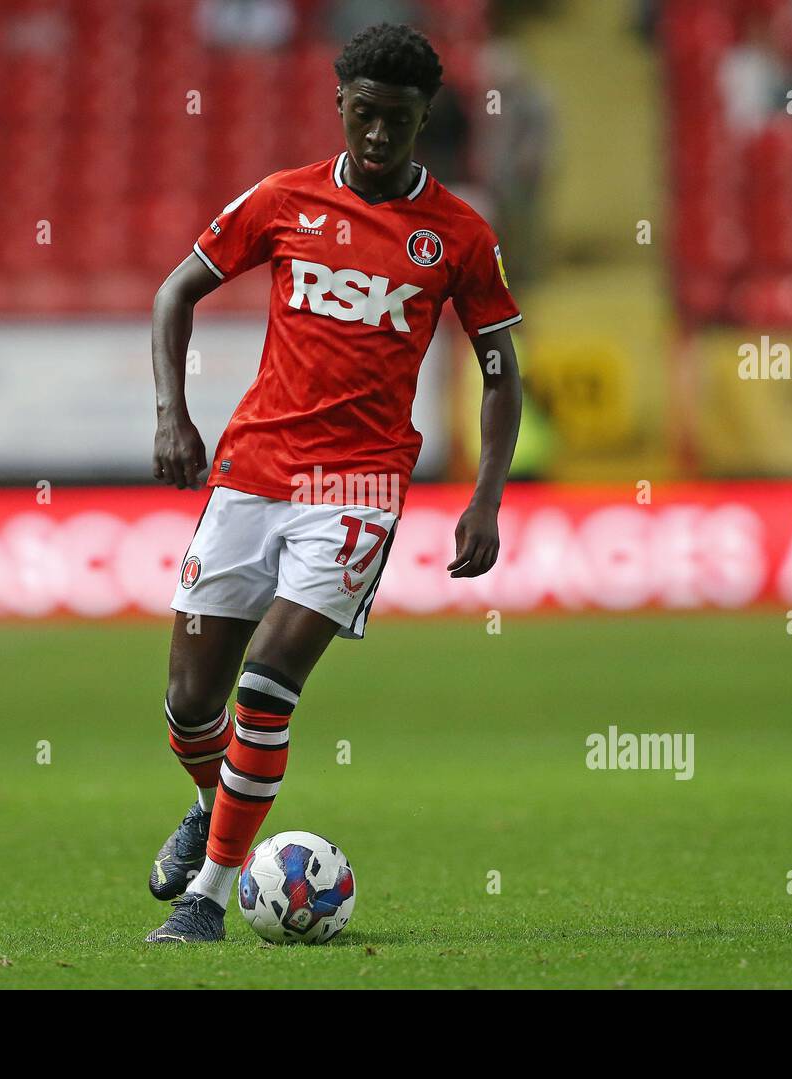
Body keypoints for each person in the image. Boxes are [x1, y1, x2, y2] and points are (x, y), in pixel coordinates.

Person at [145, 22, 523, 943]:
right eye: (364, 115)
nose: (380, 137)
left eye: (398, 120)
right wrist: (171, 414)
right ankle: (210, 804)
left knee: (267, 684)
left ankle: (209, 896)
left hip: (355, 487)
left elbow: (503, 370)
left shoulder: (460, 235)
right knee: (193, 701)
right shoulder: (283, 200)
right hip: (250, 472)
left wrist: (486, 497)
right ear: (340, 106)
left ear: (424, 117)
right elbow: (173, 293)